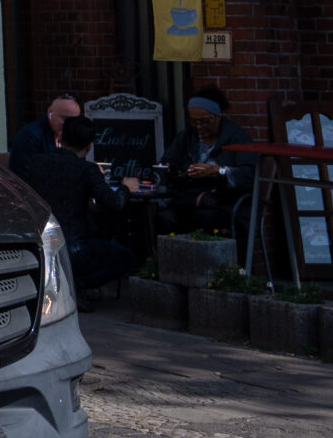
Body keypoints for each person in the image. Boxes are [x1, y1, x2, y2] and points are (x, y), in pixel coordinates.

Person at [21, 116, 141, 293]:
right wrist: (126, 188)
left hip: (41, 244)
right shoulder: (85, 169)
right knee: (128, 259)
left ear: (60, 139)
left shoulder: (35, 162)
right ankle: (78, 285)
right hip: (74, 248)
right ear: (89, 146)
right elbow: (115, 203)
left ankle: (71, 284)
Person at [159, 88, 253, 234]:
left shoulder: (237, 137)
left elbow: (249, 174)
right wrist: (170, 169)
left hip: (225, 203)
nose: (199, 127)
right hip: (189, 200)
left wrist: (218, 171)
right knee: (165, 218)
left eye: (204, 121)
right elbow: (167, 161)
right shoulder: (187, 137)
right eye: (194, 121)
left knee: (203, 218)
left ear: (218, 116)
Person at [10, 93, 82, 181]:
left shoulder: (70, 134)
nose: (69, 125)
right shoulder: (29, 135)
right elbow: (23, 175)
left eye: (74, 120)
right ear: (50, 113)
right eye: (65, 119)